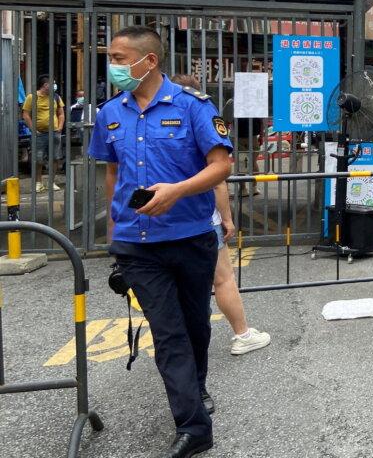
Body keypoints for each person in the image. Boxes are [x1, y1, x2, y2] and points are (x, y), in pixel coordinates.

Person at [88, 26, 232, 458]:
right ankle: (192, 426)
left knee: (195, 326)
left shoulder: (194, 108)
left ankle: (197, 388)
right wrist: (115, 228)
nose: (112, 65)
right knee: (168, 334)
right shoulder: (109, 113)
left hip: (190, 238)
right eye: (110, 57)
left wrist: (177, 191)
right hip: (137, 244)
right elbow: (111, 173)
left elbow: (221, 165)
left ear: (148, 61)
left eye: (118, 56)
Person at [171, 74, 271, 357]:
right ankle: (243, 334)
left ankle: (178, 341)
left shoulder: (154, 122)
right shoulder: (201, 118)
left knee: (176, 285)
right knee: (223, 278)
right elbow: (217, 180)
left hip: (163, 223)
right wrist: (227, 218)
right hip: (202, 219)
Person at [22, 74, 65, 193]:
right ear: (46, 85)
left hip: (54, 133)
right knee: (38, 159)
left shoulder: (56, 97)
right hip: (39, 134)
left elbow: (61, 113)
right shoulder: (32, 97)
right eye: (53, 83)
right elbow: (25, 114)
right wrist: (33, 129)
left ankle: (51, 182)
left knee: (55, 158)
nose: (55, 85)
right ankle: (38, 183)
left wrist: (60, 127)